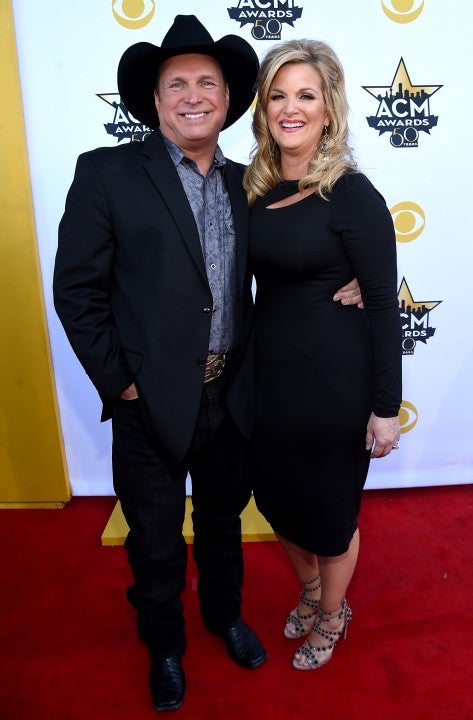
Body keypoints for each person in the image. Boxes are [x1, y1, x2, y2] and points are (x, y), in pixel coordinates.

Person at [53, 15, 362, 711]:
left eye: (207, 83)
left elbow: (302, 247)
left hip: (231, 395)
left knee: (222, 525)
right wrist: (121, 382)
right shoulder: (106, 173)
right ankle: (164, 646)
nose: (193, 96)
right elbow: (76, 290)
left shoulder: (249, 183)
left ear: (227, 100)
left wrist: (353, 279)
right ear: (155, 99)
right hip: (148, 400)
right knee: (155, 539)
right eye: (177, 84)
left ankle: (224, 616)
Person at [243, 39, 402, 671]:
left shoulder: (353, 194)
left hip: (336, 383)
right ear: (263, 108)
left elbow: (384, 303)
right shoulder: (251, 187)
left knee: (331, 515)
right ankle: (310, 590)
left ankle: (334, 614)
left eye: (306, 95)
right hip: (268, 379)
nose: (291, 108)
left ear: (329, 108)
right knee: (275, 500)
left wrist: (386, 407)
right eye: (277, 96)